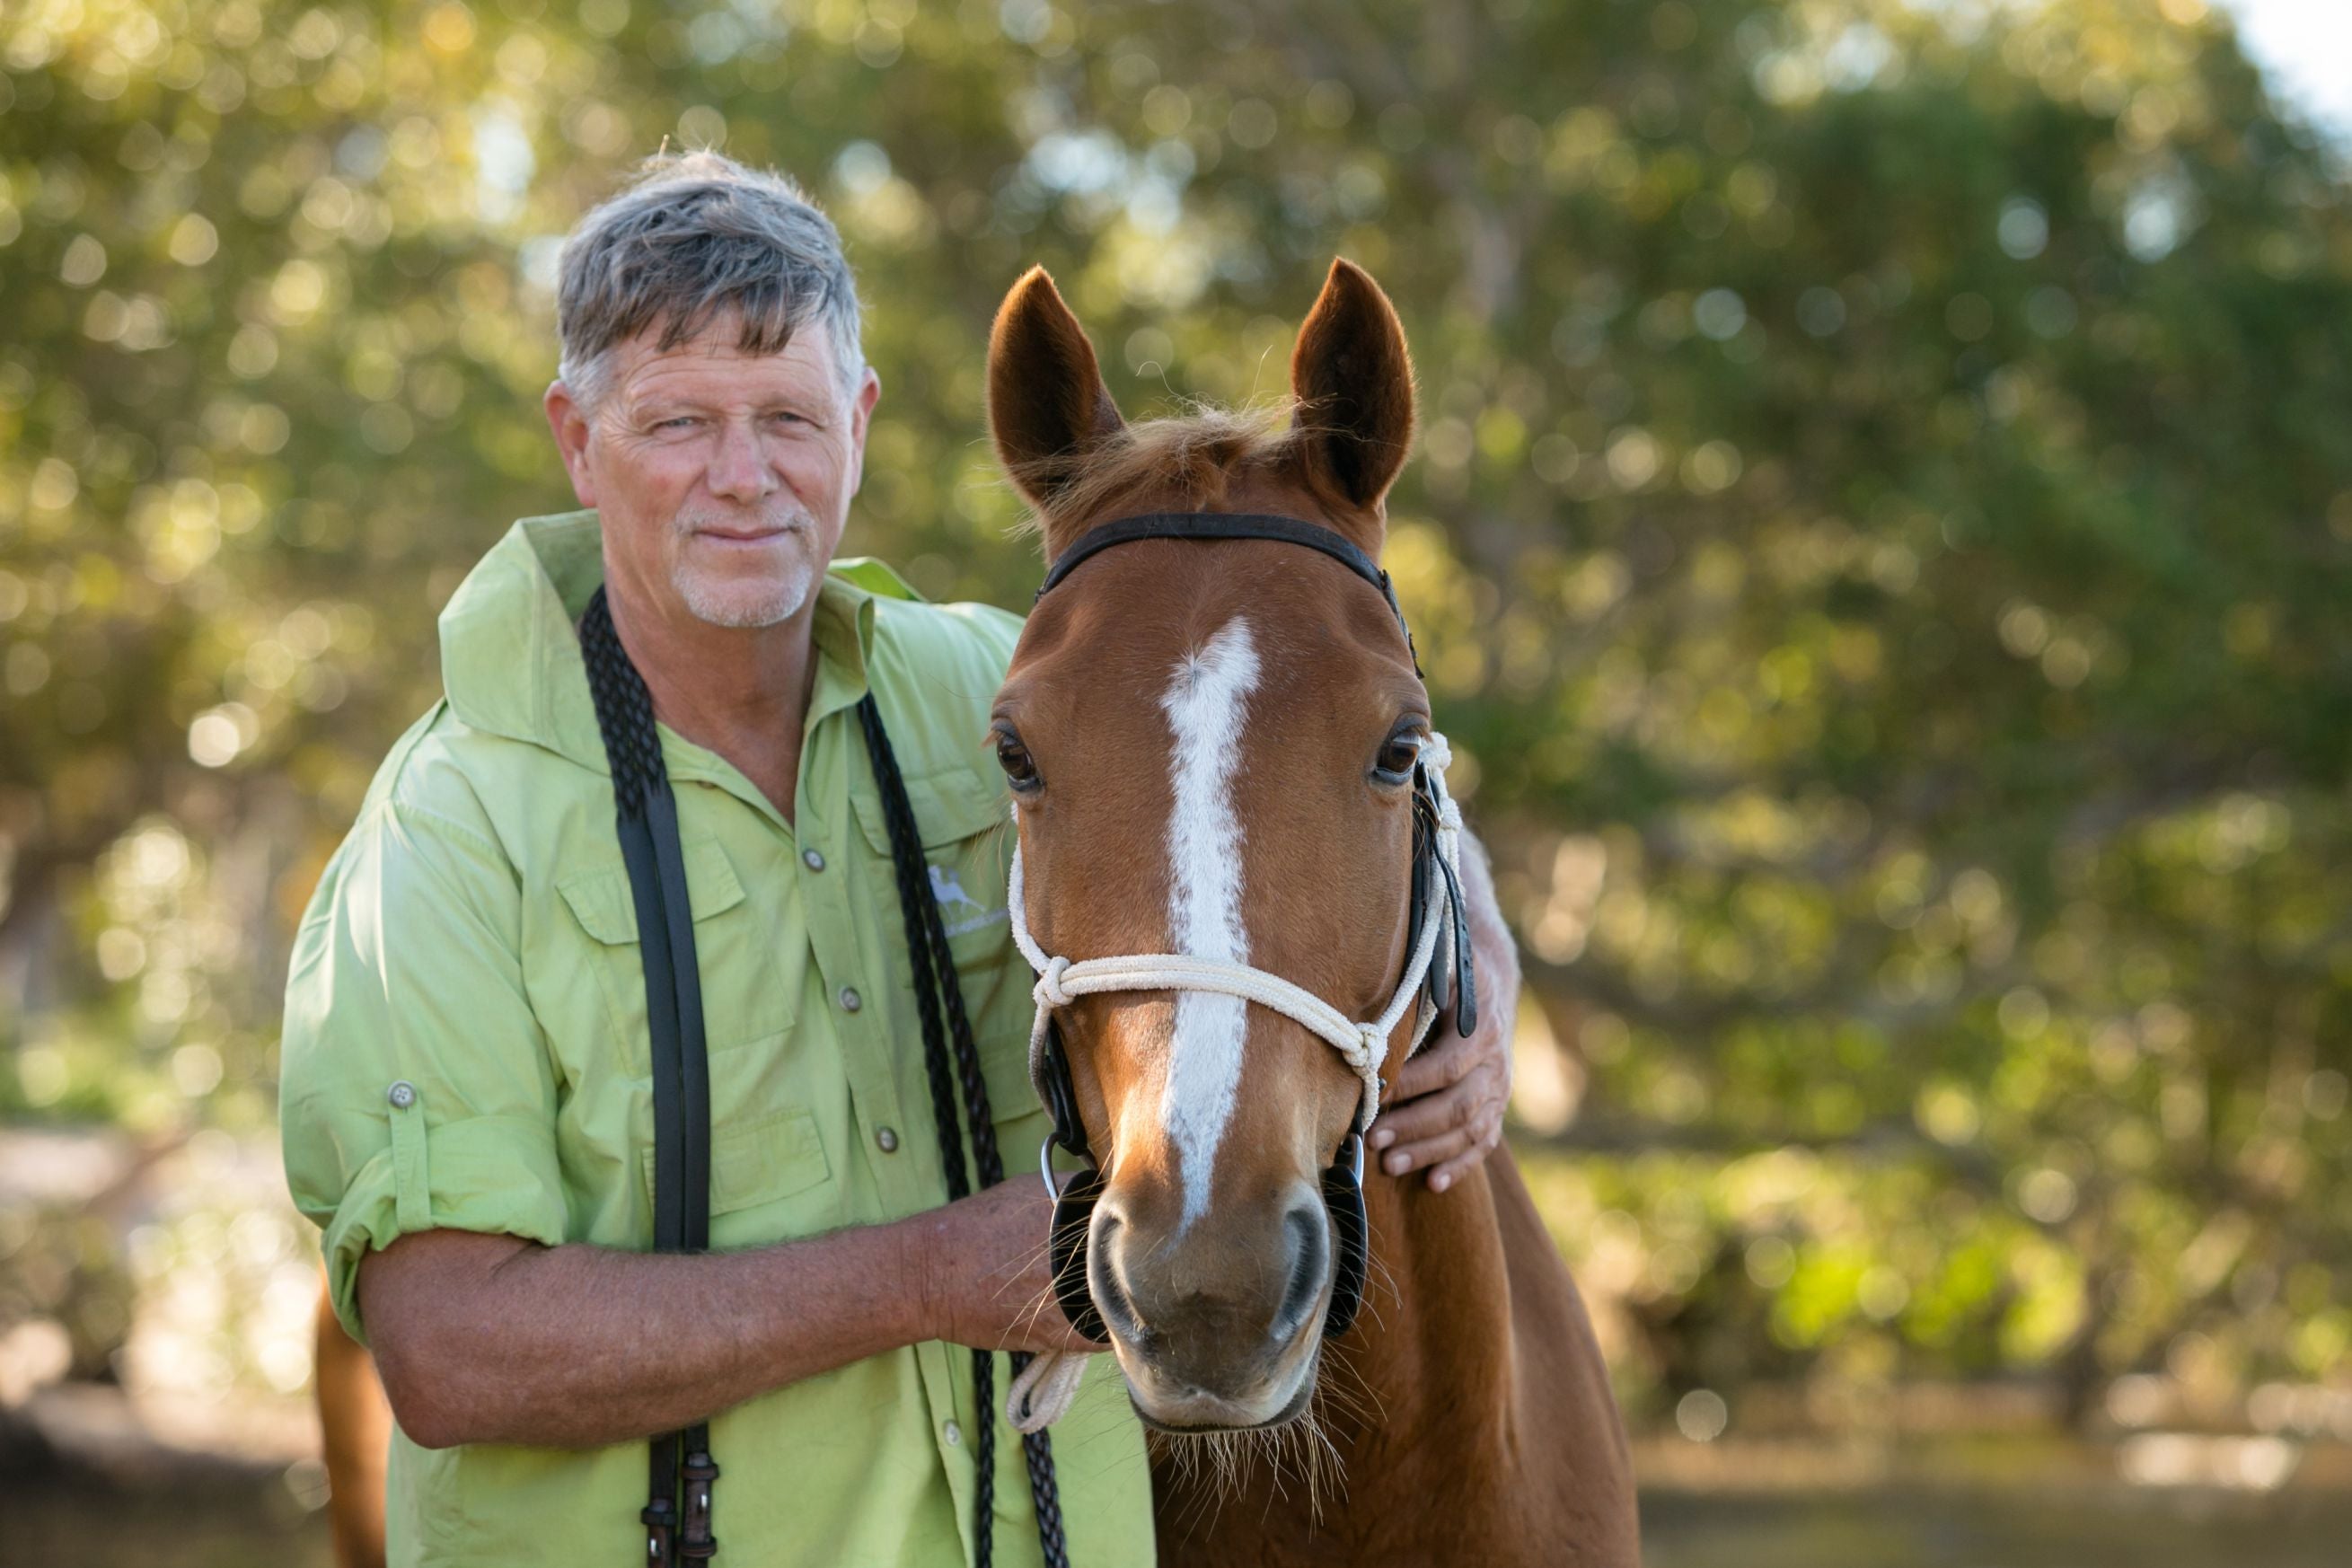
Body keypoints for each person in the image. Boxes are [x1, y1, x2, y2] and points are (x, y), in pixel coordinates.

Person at [277, 150, 1518, 1568]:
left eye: (790, 419)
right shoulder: (444, 830)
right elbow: (448, 1355)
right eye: (681, 420)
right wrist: (932, 1276)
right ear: (578, 437)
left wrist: (1485, 977)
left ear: (860, 426)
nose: (745, 479)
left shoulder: (1014, 693)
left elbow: (1319, 753)